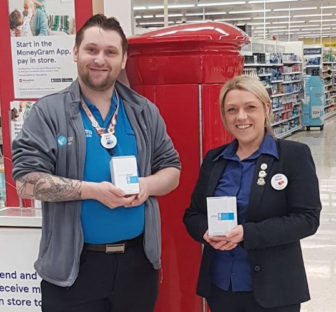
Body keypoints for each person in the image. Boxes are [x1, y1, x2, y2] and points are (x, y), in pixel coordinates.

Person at [12, 14, 180, 312]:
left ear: (123, 59)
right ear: (75, 52)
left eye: (111, 52)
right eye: (91, 49)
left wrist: (146, 184)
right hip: (73, 269)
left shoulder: (143, 111)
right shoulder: (48, 112)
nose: (100, 59)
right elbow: (25, 181)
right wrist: (92, 191)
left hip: (137, 265)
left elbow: (172, 170)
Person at [183, 75, 321, 312]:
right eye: (232, 110)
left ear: (266, 109)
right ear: (224, 116)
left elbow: (307, 219)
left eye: (250, 107)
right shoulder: (215, 160)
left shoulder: (292, 156)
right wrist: (207, 232)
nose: (241, 117)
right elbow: (193, 214)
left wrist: (248, 233)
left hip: (275, 290)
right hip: (222, 286)